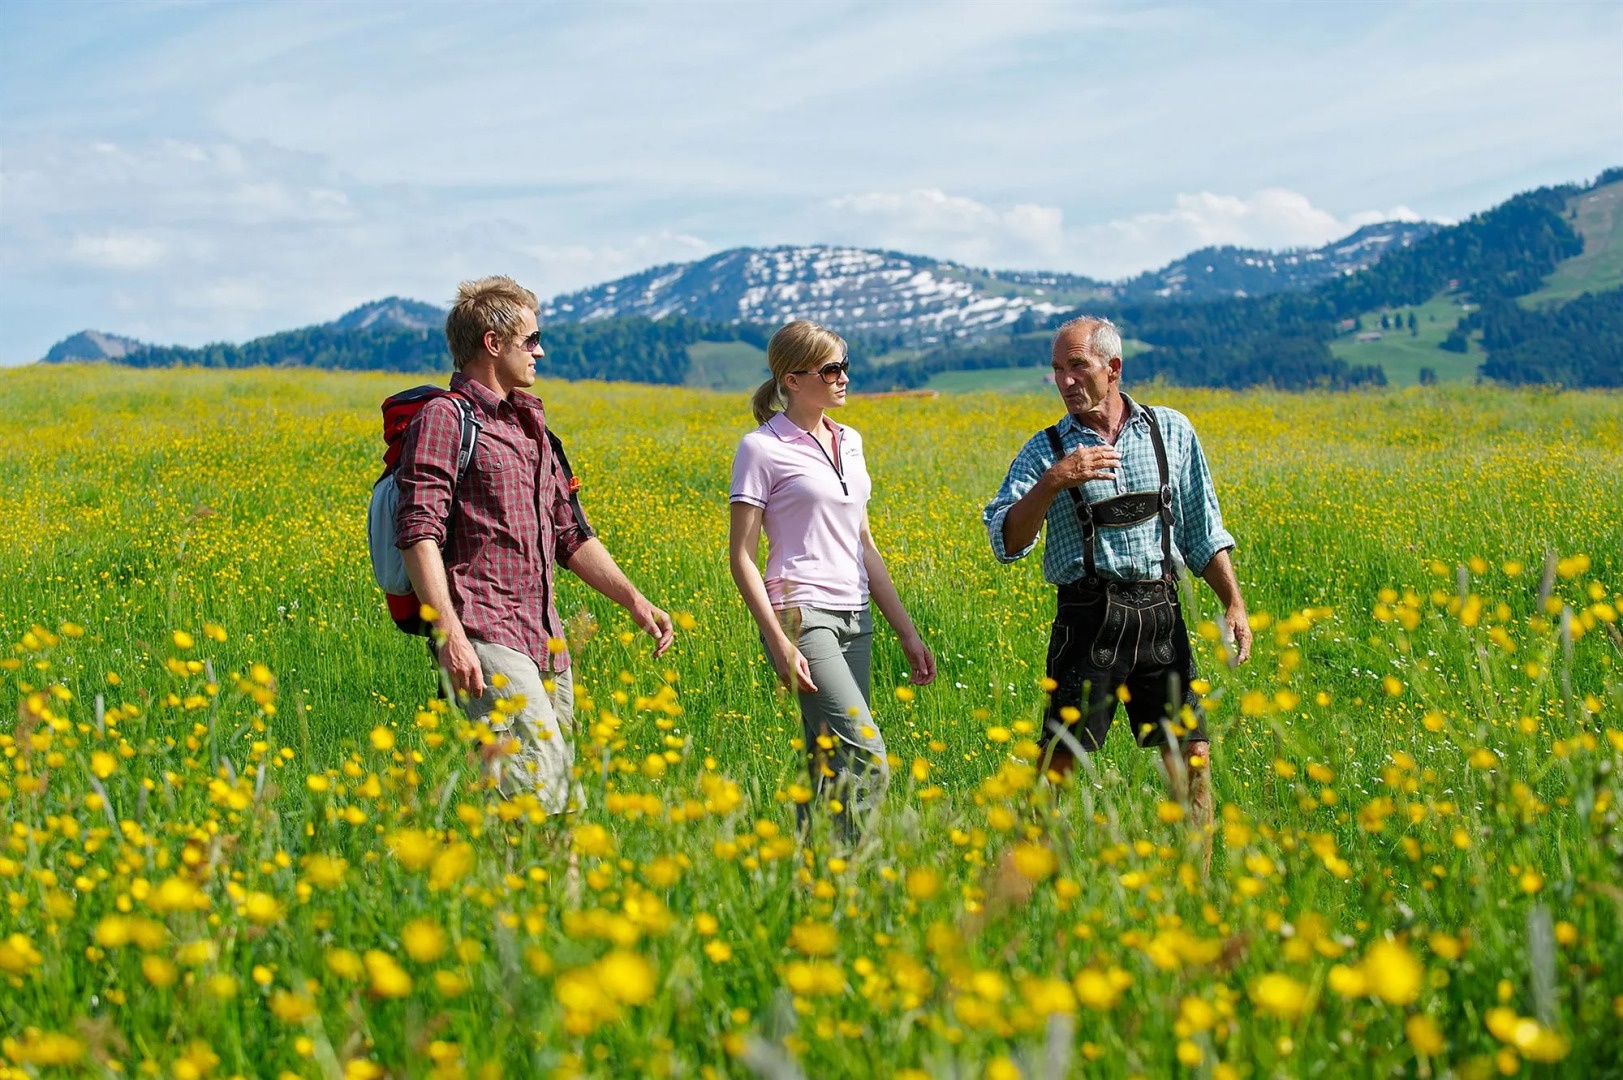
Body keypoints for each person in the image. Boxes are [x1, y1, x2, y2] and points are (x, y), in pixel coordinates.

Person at [394, 275, 674, 813]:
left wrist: (635, 601)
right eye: (531, 339)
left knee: (537, 800)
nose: (540, 351)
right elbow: (418, 532)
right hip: (484, 630)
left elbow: (571, 534)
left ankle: (520, 896)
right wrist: (449, 632)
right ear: (492, 344)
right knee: (546, 801)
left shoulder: (534, 428)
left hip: (546, 639)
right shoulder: (446, 419)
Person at [982, 316, 1251, 847]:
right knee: (1060, 761)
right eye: (1057, 370)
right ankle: (1024, 881)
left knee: (1193, 755)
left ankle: (1193, 885)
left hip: (1162, 617)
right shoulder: (1046, 450)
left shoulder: (1170, 429)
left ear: (1113, 368)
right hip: (1088, 621)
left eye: (1077, 366)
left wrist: (1234, 604)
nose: (1064, 381)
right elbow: (1006, 540)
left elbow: (1203, 528)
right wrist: (1056, 480)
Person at [729, 320, 936, 836]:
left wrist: (906, 632)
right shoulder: (761, 448)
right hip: (801, 614)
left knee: (829, 760)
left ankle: (808, 879)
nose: (844, 377)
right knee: (867, 756)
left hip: (856, 614)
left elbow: (865, 545)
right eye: (831, 369)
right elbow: (742, 557)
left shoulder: (852, 441)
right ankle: (853, 873)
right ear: (793, 379)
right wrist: (779, 640)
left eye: (845, 365)